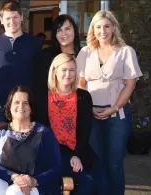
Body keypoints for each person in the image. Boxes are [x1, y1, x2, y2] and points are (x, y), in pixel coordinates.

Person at [76, 10, 143, 195]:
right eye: (98, 27)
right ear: (93, 29)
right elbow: (81, 83)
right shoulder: (85, 52)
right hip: (92, 116)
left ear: (114, 27)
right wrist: (86, 109)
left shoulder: (125, 52)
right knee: (96, 162)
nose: (102, 31)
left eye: (106, 26)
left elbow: (130, 84)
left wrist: (113, 108)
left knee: (114, 164)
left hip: (117, 116)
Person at [0, 86, 62, 195]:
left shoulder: (44, 132)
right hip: (11, 182)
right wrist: (14, 177)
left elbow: (56, 166)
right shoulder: (0, 133)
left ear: (31, 107)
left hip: (39, 186)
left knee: (14, 191)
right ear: (9, 106)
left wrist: (33, 181)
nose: (21, 106)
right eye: (16, 102)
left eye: (25, 103)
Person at [0, 0, 46, 123]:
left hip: (27, 105)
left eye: (15, 17)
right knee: (2, 141)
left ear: (22, 17)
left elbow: (40, 75)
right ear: (1, 20)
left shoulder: (34, 42)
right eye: (8, 18)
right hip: (1, 105)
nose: (12, 22)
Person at [47, 53, 95, 195]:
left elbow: (85, 131)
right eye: (64, 70)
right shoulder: (43, 96)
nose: (68, 74)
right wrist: (70, 156)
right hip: (52, 153)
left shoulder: (83, 97)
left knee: (90, 182)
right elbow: (43, 133)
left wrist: (76, 155)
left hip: (78, 152)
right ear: (55, 72)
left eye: (72, 70)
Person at [33, 14, 81, 125]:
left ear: (74, 30)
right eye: (59, 30)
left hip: (79, 114)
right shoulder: (46, 56)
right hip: (53, 115)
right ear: (55, 34)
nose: (64, 34)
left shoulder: (84, 54)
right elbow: (40, 88)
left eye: (67, 28)